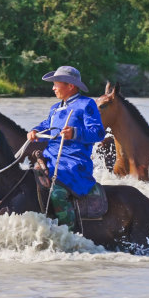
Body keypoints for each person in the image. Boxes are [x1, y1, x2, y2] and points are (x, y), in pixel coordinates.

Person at [27, 65, 106, 230]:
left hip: (74, 162)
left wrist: (75, 133)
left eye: (56, 83)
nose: (53, 87)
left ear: (70, 86)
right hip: (51, 157)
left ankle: (70, 234)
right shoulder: (55, 108)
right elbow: (46, 125)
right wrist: (35, 130)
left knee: (57, 193)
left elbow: (98, 133)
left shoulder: (87, 104)